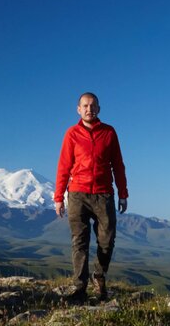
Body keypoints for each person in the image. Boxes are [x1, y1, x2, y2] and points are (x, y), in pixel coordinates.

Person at [54, 92, 128, 302]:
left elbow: (118, 165)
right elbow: (64, 166)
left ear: (99, 109)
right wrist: (59, 196)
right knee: (80, 241)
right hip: (78, 193)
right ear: (78, 109)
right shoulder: (72, 134)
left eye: (93, 105)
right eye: (85, 106)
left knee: (107, 239)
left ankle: (99, 275)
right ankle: (79, 288)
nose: (89, 109)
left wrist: (123, 193)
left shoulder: (109, 132)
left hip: (104, 194)